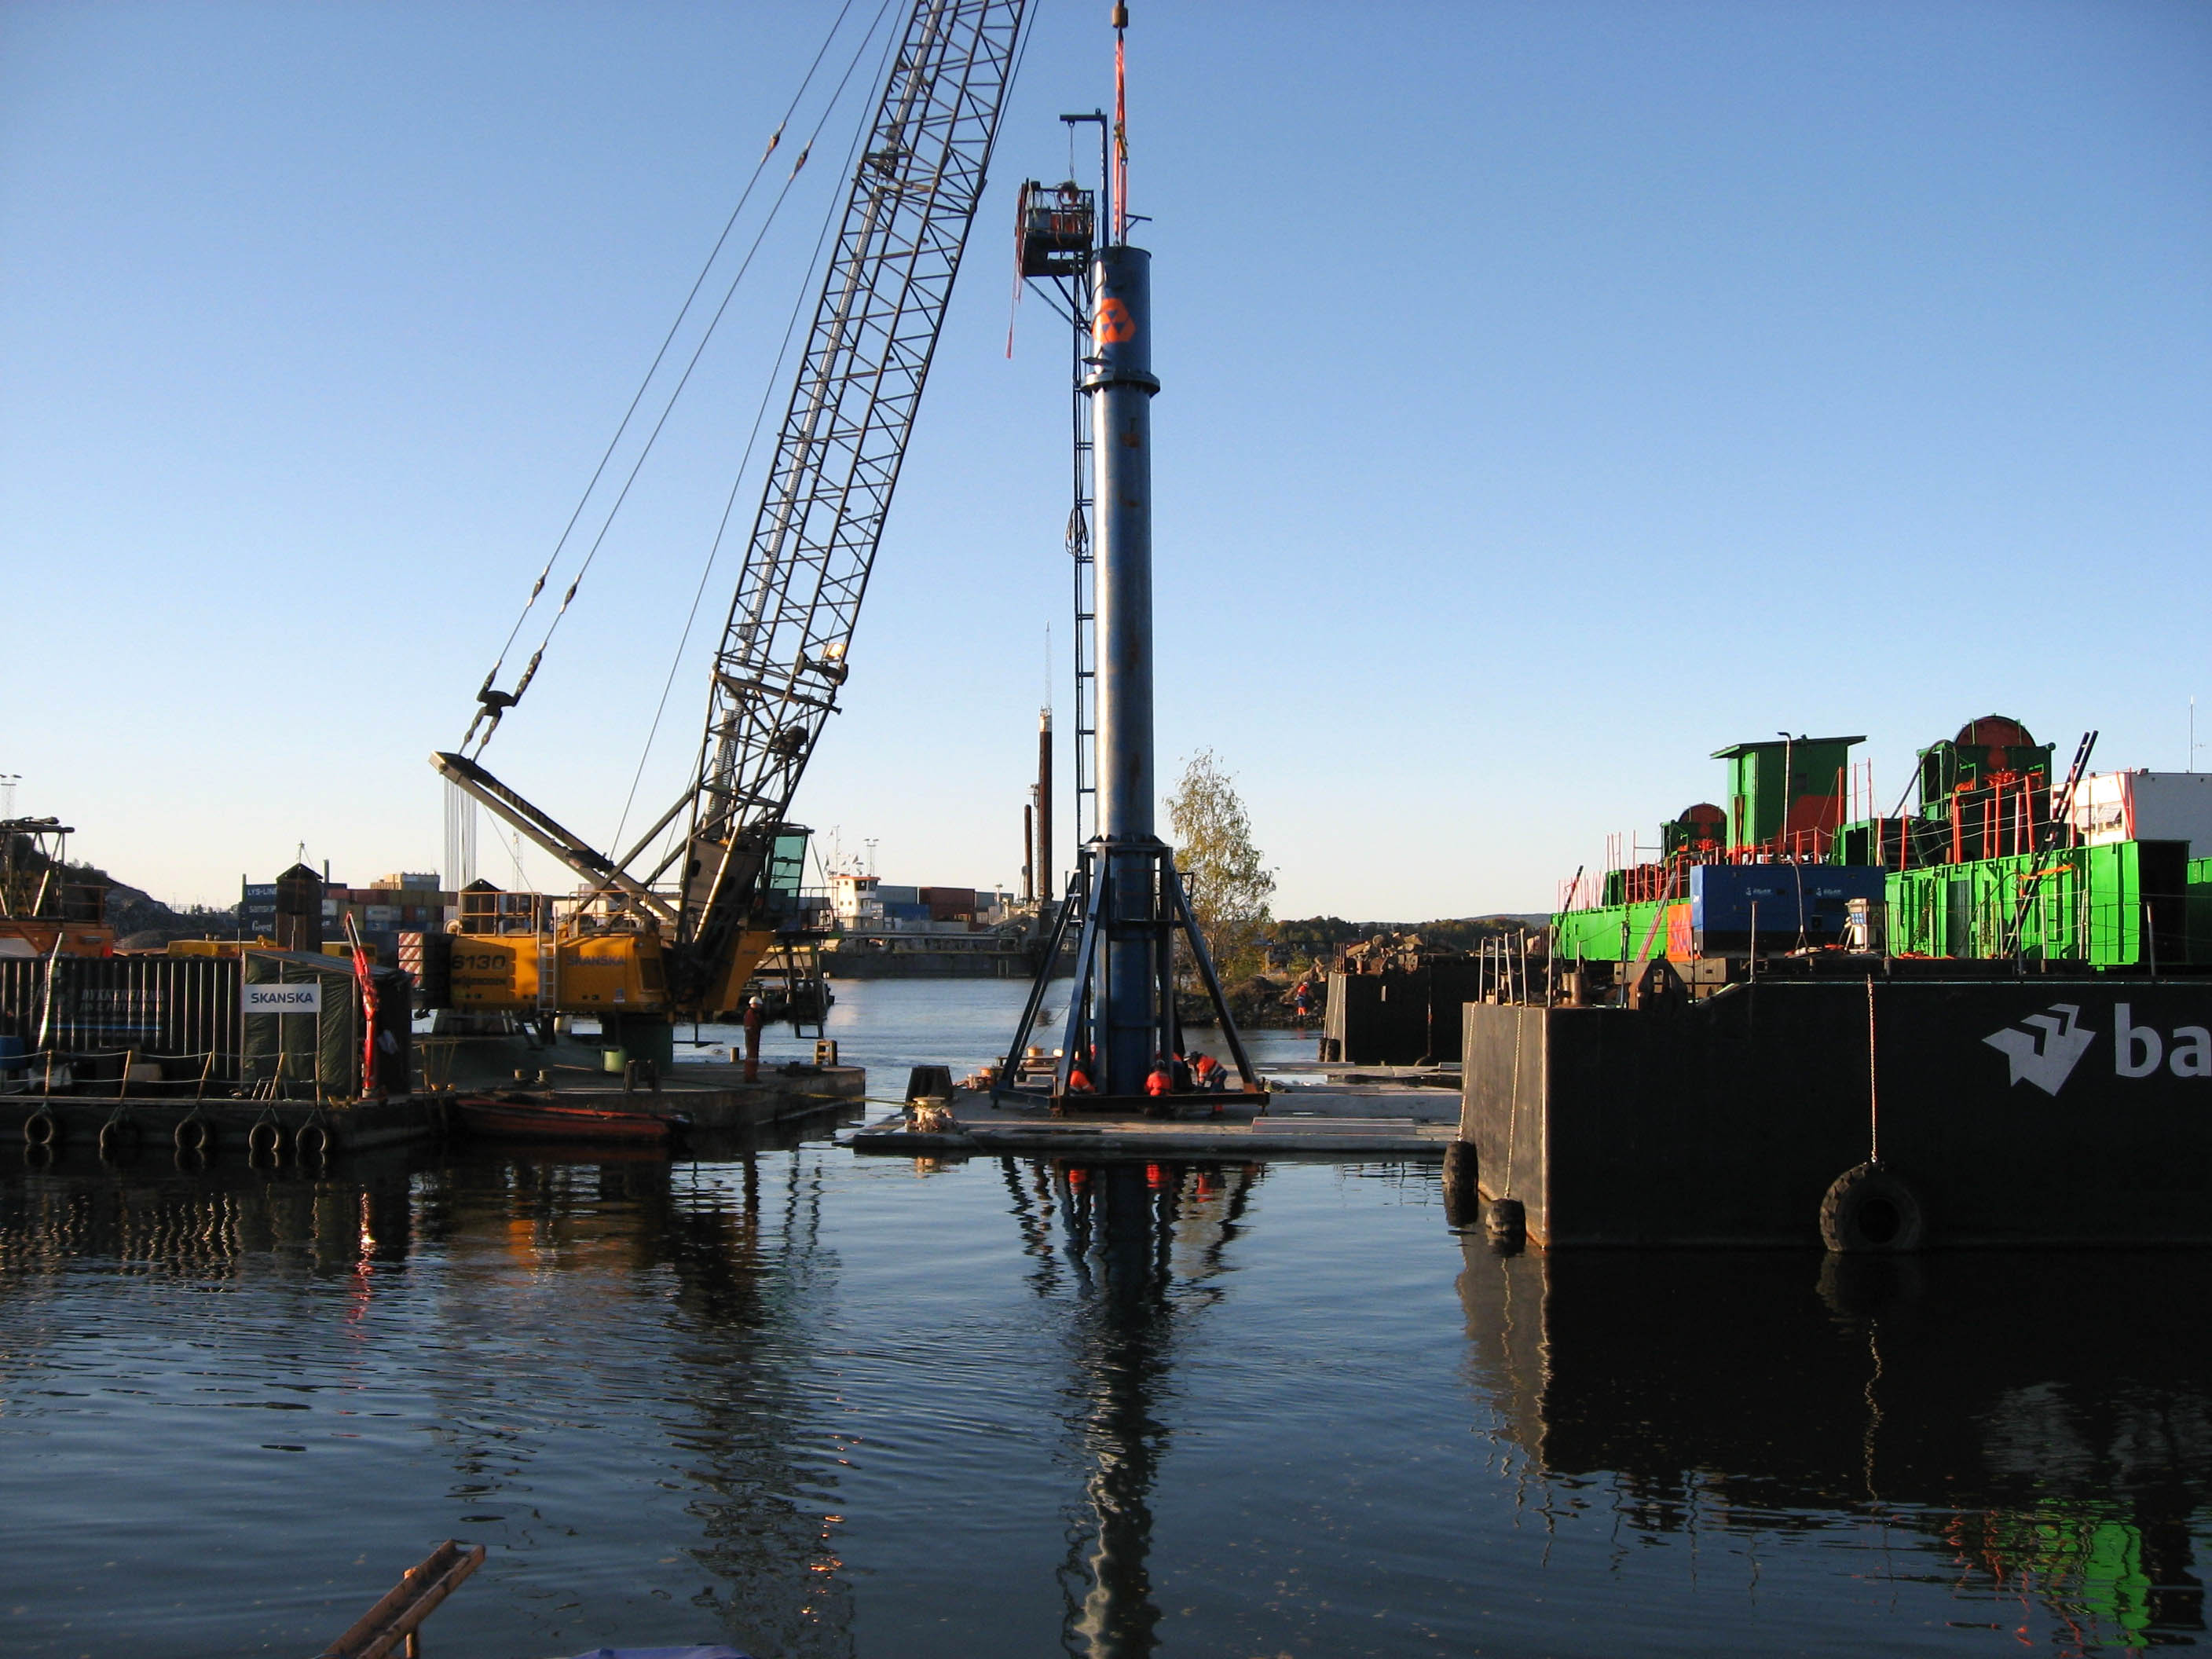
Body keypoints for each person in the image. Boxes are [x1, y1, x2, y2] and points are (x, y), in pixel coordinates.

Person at [742, 995, 764, 1083]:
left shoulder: (753, 1014)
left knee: (753, 1057)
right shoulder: (751, 1014)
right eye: (758, 1005)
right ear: (754, 1004)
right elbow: (750, 1027)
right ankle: (750, 1077)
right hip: (752, 1038)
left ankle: (751, 1076)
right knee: (751, 1058)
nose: (759, 1007)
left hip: (754, 1038)